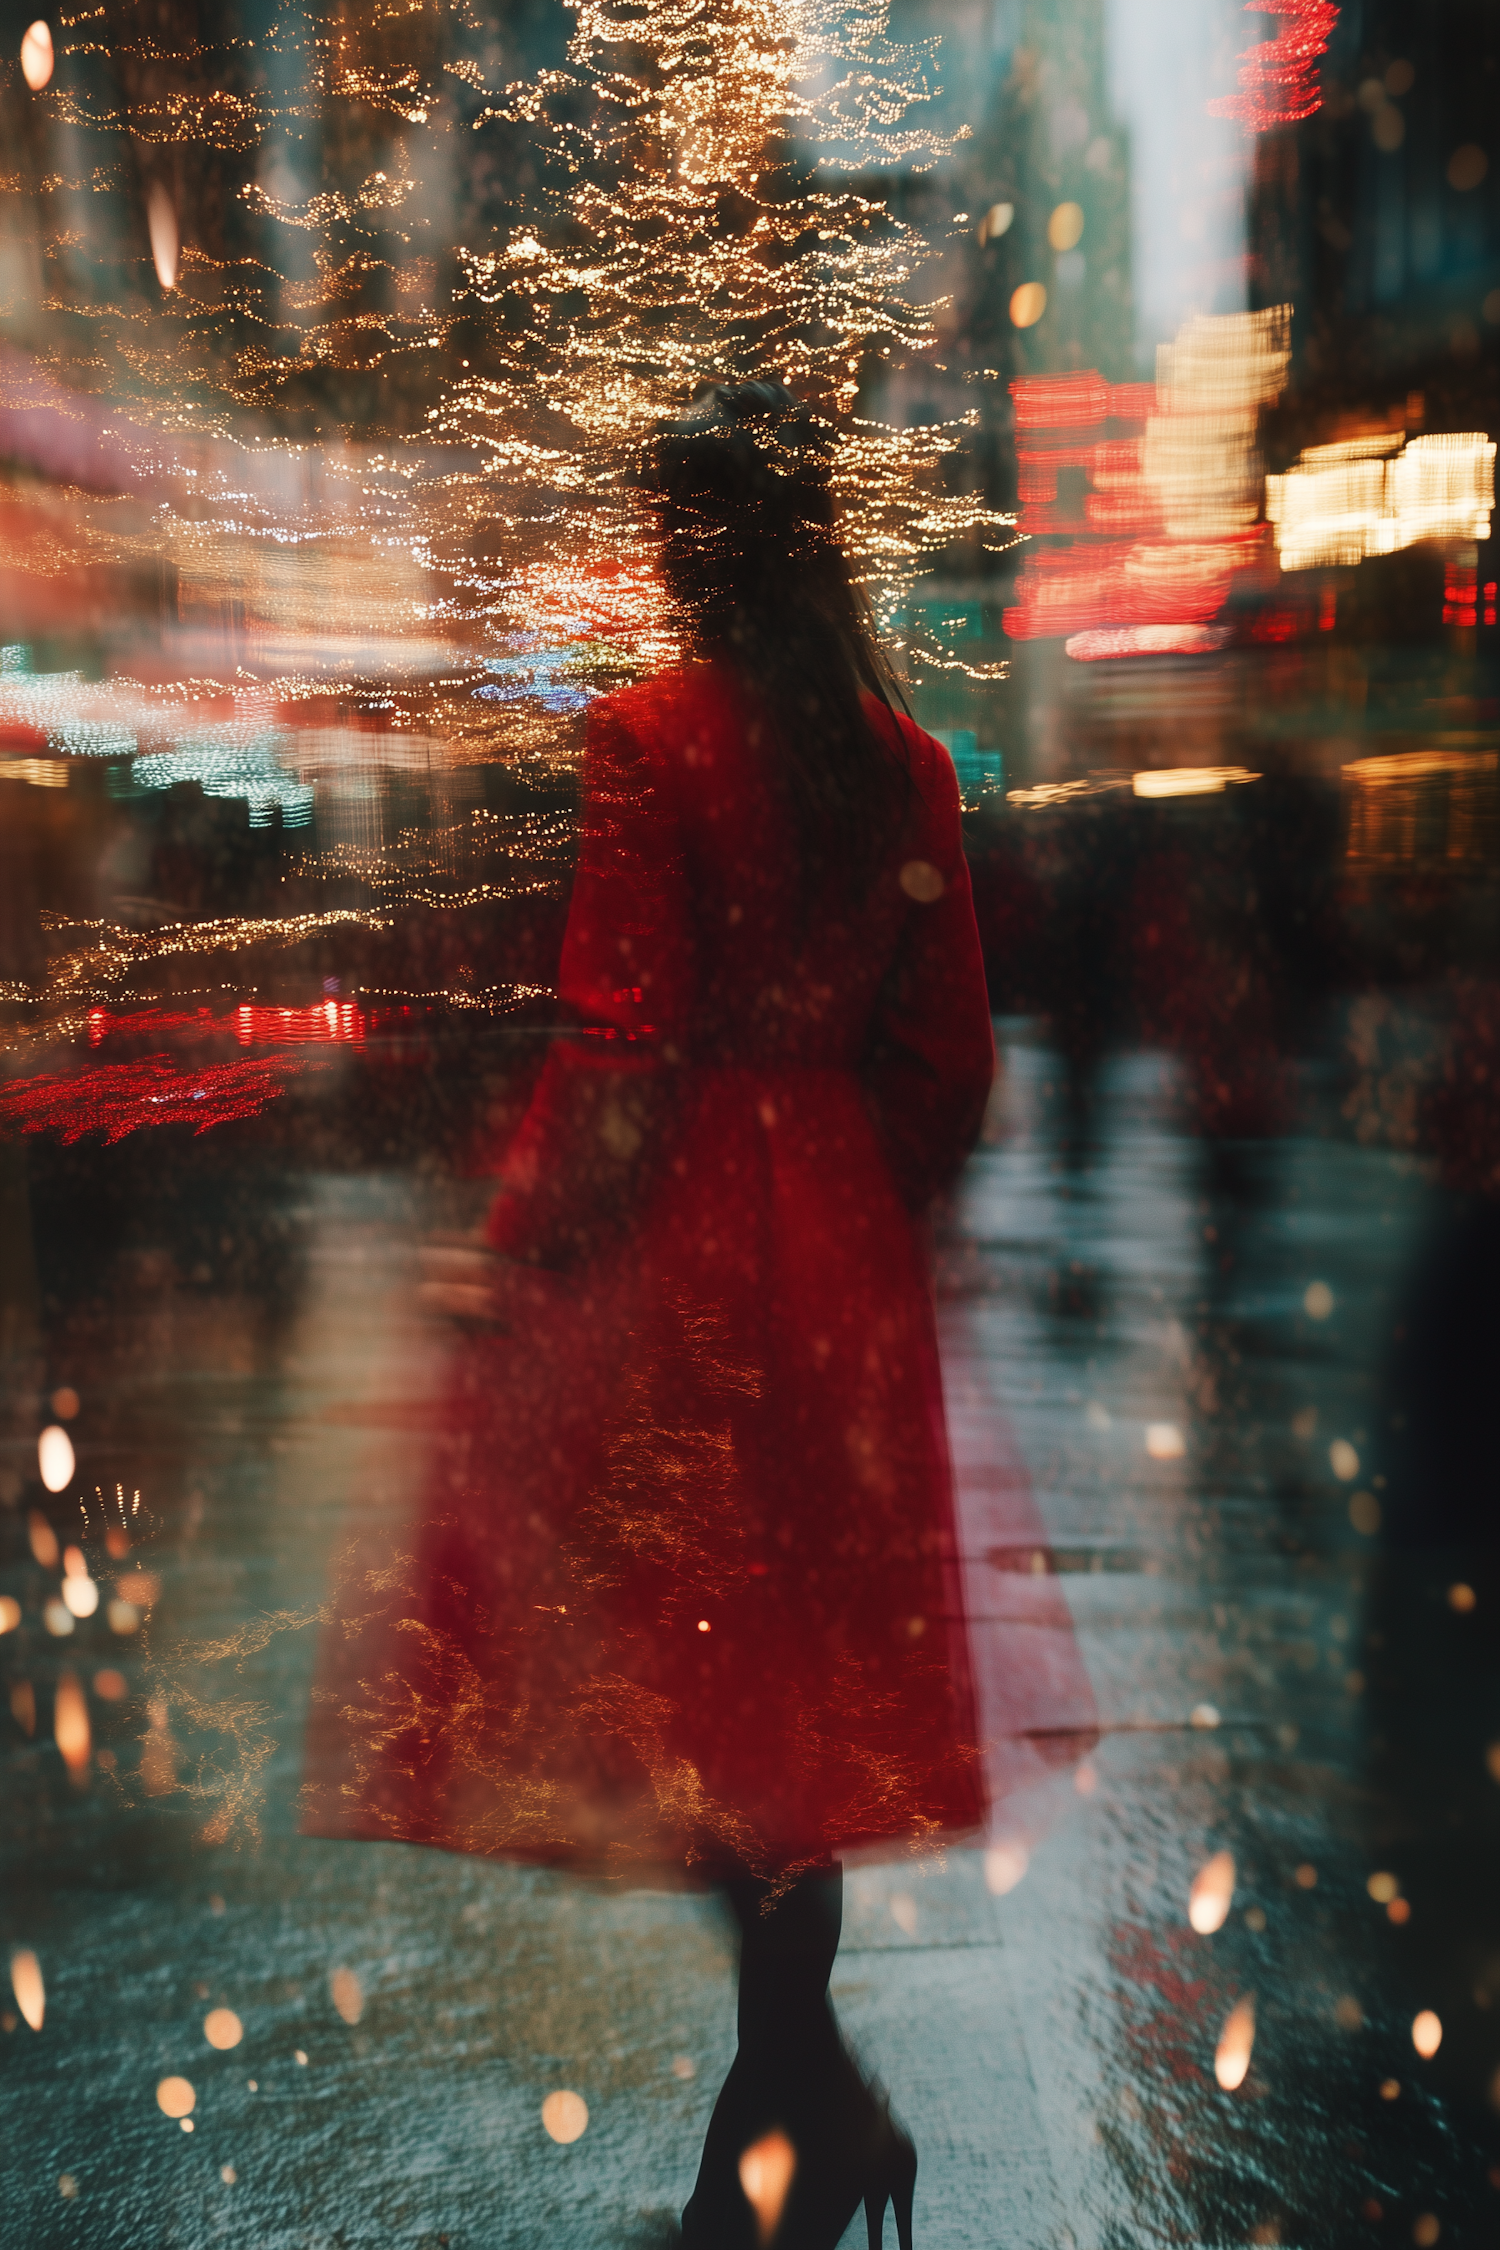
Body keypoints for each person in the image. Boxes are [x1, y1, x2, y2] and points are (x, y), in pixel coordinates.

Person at [302, 380, 998, 2248]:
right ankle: (790, 2140)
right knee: (790, 1721)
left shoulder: (651, 739)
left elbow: (621, 1044)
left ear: (695, 541)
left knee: (684, 1680)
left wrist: (525, 1247)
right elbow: (951, 1062)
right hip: (837, 1252)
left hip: (686, 1254)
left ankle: (796, 2137)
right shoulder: (901, 761)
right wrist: (861, 1202)